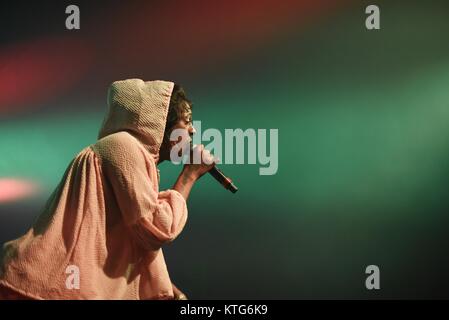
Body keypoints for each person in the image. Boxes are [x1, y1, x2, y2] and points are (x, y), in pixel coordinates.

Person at [0, 79, 215, 300]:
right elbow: (155, 228)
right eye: (186, 120)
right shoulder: (125, 147)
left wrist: (165, 287)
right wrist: (189, 175)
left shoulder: (128, 152)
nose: (192, 130)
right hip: (55, 284)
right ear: (161, 120)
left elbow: (127, 239)